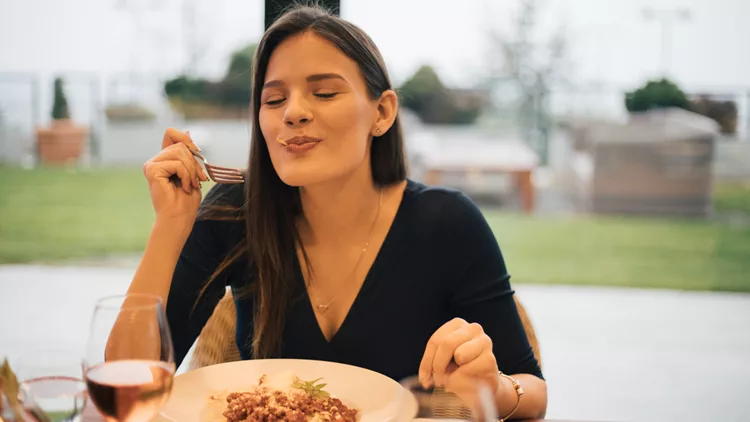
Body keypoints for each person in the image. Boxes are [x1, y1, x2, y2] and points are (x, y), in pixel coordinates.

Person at [128, 4, 546, 419]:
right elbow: (129, 382)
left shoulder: (448, 224)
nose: (293, 112)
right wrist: (171, 225)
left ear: (381, 113)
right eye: (274, 99)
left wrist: (492, 387)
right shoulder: (235, 212)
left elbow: (534, 394)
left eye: (324, 92)